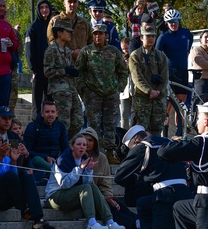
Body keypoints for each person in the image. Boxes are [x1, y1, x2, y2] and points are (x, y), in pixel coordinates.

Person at [115, 124, 190, 229]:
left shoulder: (142, 148)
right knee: (143, 203)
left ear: (136, 141)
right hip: (184, 192)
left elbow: (120, 177)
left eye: (130, 147)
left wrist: (136, 178)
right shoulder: (170, 142)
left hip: (165, 196)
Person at [0, 128, 56, 229]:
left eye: (0, 139)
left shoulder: (4, 157)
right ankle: (25, 208)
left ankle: (38, 221)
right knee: (10, 176)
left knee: (27, 178)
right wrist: (0, 159)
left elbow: (13, 181)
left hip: (0, 199)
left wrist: (13, 161)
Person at [46, 134, 124, 229]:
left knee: (91, 186)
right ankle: (91, 223)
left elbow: (87, 182)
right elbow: (64, 184)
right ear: (72, 146)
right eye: (78, 144)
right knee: (86, 188)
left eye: (84, 145)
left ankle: (110, 221)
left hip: (72, 194)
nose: (82, 147)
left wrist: (88, 170)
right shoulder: (63, 160)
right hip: (55, 196)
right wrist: (79, 169)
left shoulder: (85, 158)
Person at [76, 24, 127, 158]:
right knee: (94, 125)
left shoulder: (114, 51)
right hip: (92, 94)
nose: (97, 36)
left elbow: (123, 71)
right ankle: (93, 153)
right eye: (95, 34)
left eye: (100, 34)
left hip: (111, 93)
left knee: (110, 124)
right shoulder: (86, 51)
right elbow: (79, 73)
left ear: (106, 36)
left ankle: (110, 153)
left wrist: (119, 88)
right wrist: (84, 90)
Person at [44, 21, 83, 138]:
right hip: (59, 90)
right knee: (63, 122)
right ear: (59, 33)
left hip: (71, 89)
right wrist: (64, 71)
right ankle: (61, 148)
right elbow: (47, 71)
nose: (70, 34)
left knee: (78, 121)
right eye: (68, 31)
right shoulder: (51, 50)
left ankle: (68, 144)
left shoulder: (67, 51)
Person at [128, 23, 169, 134]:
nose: (150, 39)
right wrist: (149, 91)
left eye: (153, 36)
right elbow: (137, 77)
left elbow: (165, 76)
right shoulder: (135, 55)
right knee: (141, 130)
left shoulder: (161, 55)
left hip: (158, 99)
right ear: (141, 38)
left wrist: (158, 91)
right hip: (142, 99)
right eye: (147, 36)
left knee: (157, 130)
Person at [157, 9, 193, 104]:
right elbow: (156, 54)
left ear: (179, 21)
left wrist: (188, 50)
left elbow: (191, 37)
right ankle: (167, 119)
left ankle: (180, 120)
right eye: (170, 22)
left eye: (176, 21)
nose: (173, 24)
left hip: (183, 71)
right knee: (170, 102)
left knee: (181, 103)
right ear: (166, 23)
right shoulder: (163, 37)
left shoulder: (185, 32)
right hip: (170, 72)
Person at [24, 101, 69, 174]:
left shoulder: (61, 127)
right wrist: (45, 157)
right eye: (47, 112)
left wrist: (60, 159)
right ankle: (58, 173)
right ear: (42, 114)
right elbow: (27, 150)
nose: (50, 114)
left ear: (56, 114)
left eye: (52, 112)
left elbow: (65, 148)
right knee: (38, 160)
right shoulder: (33, 127)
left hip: (55, 161)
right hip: (38, 160)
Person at [27, 0, 54, 116]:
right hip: (38, 69)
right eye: (41, 7)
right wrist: (33, 69)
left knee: (50, 100)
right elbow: (28, 50)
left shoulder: (53, 26)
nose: (44, 10)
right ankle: (36, 124)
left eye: (46, 7)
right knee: (37, 103)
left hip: (52, 70)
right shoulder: (33, 27)